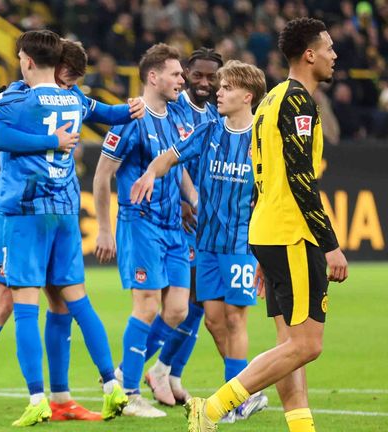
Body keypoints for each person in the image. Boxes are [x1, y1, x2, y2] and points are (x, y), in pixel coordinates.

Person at [0, 39, 143, 425]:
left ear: (31, 61)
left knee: (42, 302)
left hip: (27, 210)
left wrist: (29, 121)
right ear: (57, 68)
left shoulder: (21, 97)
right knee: (19, 301)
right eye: (69, 75)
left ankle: (54, 398)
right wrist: (130, 109)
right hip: (41, 208)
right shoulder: (66, 99)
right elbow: (110, 113)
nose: (70, 82)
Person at [183, 18, 348, 432]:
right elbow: (299, 178)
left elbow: (261, 179)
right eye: (328, 48)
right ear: (309, 54)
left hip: (268, 233)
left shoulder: (271, 101)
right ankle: (213, 409)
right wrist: (329, 243)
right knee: (307, 345)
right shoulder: (297, 104)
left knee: (289, 344)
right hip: (293, 233)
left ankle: (301, 428)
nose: (334, 55)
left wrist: (261, 248)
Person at [131, 60, 270, 423]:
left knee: (236, 320)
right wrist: (150, 173)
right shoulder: (209, 130)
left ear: (247, 96)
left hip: (242, 244)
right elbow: (171, 157)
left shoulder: (264, 137)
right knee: (211, 320)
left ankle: (234, 400)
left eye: (226, 88)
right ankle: (247, 390)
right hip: (207, 244)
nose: (218, 93)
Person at [93, 43, 194, 418]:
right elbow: (102, 176)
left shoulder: (178, 117)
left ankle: (122, 374)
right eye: (175, 73)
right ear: (153, 77)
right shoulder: (130, 118)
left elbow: (178, 166)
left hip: (173, 226)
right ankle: (131, 393)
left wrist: (194, 198)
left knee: (178, 309)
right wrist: (105, 229)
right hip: (140, 222)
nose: (181, 80)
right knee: (147, 305)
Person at [142, 47, 224, 407]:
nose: (204, 83)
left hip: (210, 218)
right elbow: (164, 155)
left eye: (212, 77)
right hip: (179, 216)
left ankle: (171, 372)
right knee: (183, 300)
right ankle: (134, 370)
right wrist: (181, 198)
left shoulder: (220, 114)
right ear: (185, 74)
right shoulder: (173, 108)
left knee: (200, 302)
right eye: (197, 75)